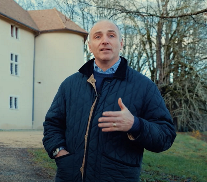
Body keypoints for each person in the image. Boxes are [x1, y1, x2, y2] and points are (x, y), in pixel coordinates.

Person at [42, 20, 176, 182]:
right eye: (97, 36)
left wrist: (135, 125)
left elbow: (166, 136)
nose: (105, 40)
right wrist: (59, 152)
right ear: (90, 46)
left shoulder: (144, 86)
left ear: (121, 43)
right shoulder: (70, 85)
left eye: (111, 35)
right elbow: (52, 125)